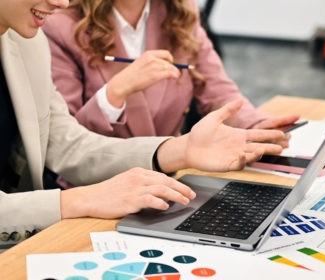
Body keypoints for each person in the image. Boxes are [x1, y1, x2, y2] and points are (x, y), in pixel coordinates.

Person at [0, 0, 287, 244]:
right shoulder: (52, 28)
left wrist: (179, 150)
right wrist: (78, 199)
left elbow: (66, 144)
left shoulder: (26, 43)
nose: (62, 2)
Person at [42, 0, 299, 140]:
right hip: (97, 188)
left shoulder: (180, 11)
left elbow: (218, 91)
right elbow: (64, 138)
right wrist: (115, 93)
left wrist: (255, 125)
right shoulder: (61, 24)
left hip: (169, 180)